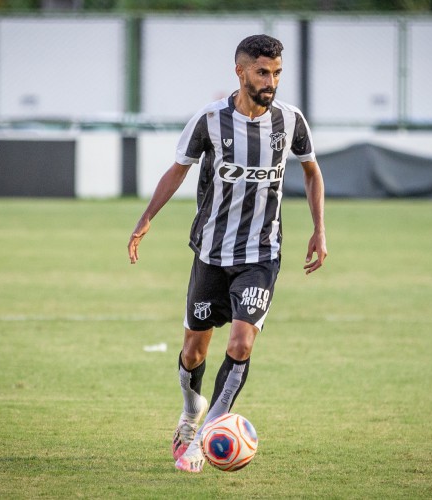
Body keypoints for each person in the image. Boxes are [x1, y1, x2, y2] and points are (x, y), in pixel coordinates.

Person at [127, 34, 327, 473]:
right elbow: (177, 171)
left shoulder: (291, 121)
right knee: (194, 352)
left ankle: (204, 437)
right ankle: (190, 410)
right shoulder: (209, 120)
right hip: (211, 254)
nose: (270, 81)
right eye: (261, 72)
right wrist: (146, 218)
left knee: (240, 341)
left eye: (276, 72)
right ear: (240, 71)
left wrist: (319, 229)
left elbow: (312, 172)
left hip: (261, 253)